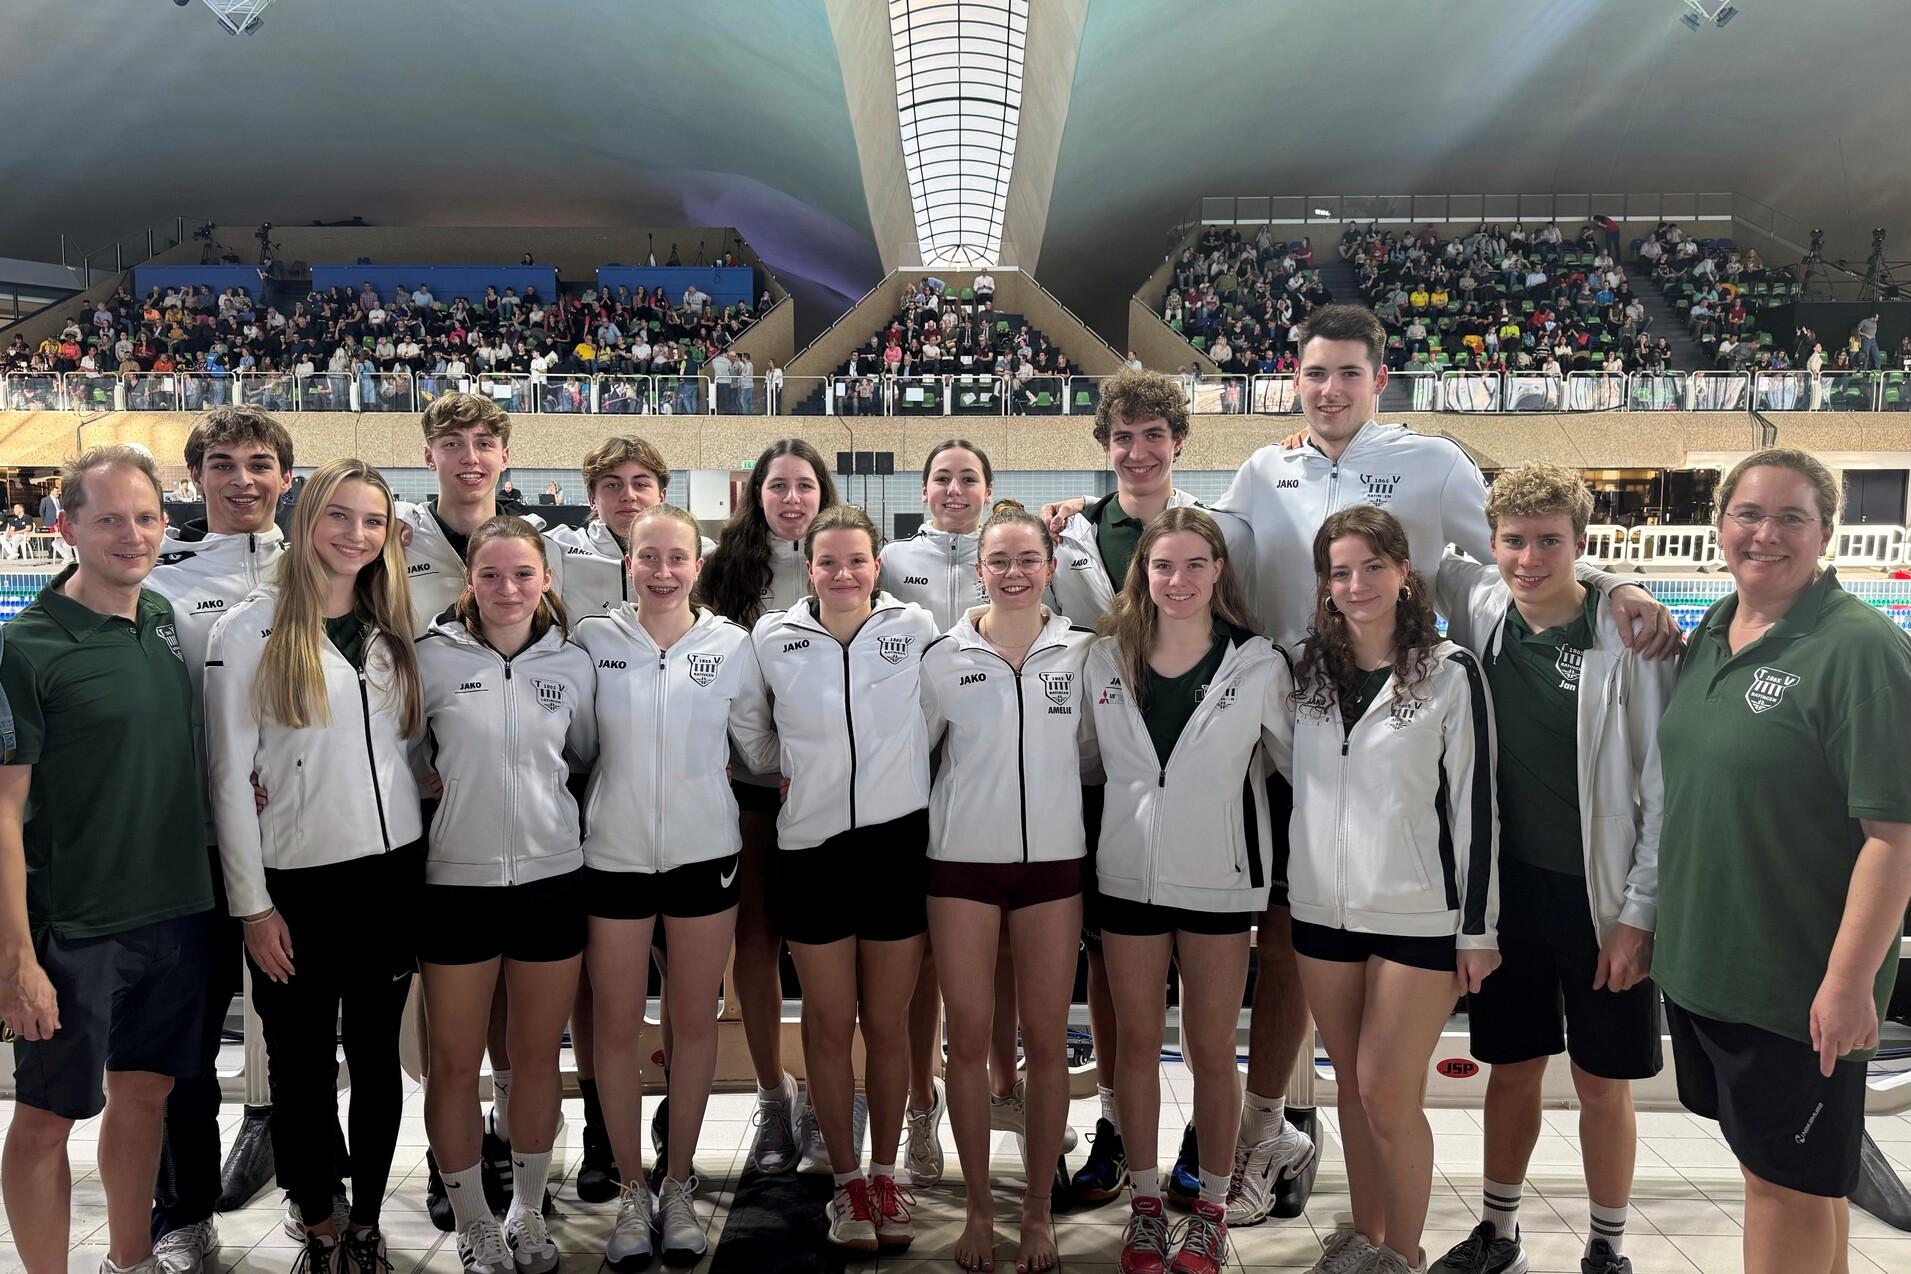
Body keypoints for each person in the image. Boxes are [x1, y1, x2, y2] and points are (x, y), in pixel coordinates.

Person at [1653, 449, 1911, 1274]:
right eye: (1748, 515)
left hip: (1794, 989)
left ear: (1826, 533)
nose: (1765, 534)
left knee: (1784, 1194)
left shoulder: (1859, 651)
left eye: (1791, 517)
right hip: (1711, 972)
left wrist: (1846, 985)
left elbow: (1893, 837)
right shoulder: (1709, 632)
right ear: (1719, 525)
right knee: (1792, 1187)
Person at [1424, 466, 1676, 1274]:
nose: (1528, 559)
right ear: (1491, 541)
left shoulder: (1627, 639)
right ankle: (1498, 1231)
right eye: (1513, 541)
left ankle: (1606, 1247)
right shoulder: (1482, 605)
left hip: (1598, 900)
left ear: (1579, 542)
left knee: (1602, 1081)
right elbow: (1419, 555)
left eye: (1549, 542)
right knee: (1511, 1068)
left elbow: (1661, 789)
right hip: (1509, 894)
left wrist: (1638, 914)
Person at [205, 459, 426, 1274]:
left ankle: (366, 1221)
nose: (355, 535)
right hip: (295, 885)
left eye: (371, 522)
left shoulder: (388, 626)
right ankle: (318, 1221)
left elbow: (405, 753)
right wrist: (252, 907)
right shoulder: (248, 630)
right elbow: (229, 778)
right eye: (339, 516)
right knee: (300, 1067)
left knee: (375, 1059)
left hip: (390, 877)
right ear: (304, 521)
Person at [0, 446, 214, 1274]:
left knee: (147, 1093)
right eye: (110, 519)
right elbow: (4, 808)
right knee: (49, 1117)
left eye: (147, 517)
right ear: (67, 528)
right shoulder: (26, 648)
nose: (133, 535)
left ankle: (132, 1260)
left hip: (174, 910)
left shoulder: (160, 619)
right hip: (76, 925)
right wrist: (16, 956)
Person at [1286, 506, 1499, 1274]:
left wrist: (1477, 929)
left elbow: (1475, 805)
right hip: (1319, 911)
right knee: (1348, 1086)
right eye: (1339, 571)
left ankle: (1402, 1256)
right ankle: (1366, 1236)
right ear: (1324, 585)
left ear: (1404, 573)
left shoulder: (1447, 672)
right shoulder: (1302, 669)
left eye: (1372, 567)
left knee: (1384, 1091)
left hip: (1419, 914)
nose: (1356, 583)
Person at [1086, 507, 1293, 1274]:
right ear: (1142, 572)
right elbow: (1083, 761)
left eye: (1194, 565)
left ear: (1218, 573)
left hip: (1218, 883)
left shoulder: (1258, 663)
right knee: (1135, 1048)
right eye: (1162, 566)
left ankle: (1208, 1209)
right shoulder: (1104, 659)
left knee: (1209, 1050)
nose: (1178, 581)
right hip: (1126, 880)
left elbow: (1298, 766)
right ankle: (1143, 1207)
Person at [730, 505, 940, 1253]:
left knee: (886, 1024)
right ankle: (847, 1185)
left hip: (895, 847)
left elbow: (939, 714)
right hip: (812, 849)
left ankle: (885, 1170)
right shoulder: (774, 636)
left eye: (856, 560)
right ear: (808, 567)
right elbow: (750, 725)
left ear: (875, 566)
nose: (843, 573)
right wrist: (783, 771)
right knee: (826, 1020)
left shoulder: (913, 630)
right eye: (828, 562)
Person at [572, 504, 768, 1267]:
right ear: (628, 560)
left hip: (703, 857)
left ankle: (677, 1181)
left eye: (676, 559)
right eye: (647, 557)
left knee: (691, 1026)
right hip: (612, 858)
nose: (660, 572)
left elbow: (756, 741)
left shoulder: (732, 645)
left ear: (697, 564)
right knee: (616, 1029)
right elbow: (579, 743)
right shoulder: (594, 641)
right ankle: (629, 1190)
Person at [414, 517, 596, 1274]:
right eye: (491, 575)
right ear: (469, 581)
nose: (507, 590)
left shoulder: (573, 664)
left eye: (523, 575)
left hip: (552, 880)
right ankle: (472, 1220)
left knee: (531, 1059)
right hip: (456, 882)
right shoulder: (428, 659)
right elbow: (400, 755)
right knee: (454, 1064)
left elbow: (583, 754)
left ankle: (525, 1210)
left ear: (545, 578)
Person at [919, 499, 1096, 1274]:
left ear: (1049, 568)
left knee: (1047, 1039)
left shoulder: (1083, 656)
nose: (1014, 574)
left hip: (1053, 868)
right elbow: (915, 755)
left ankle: (1035, 1214)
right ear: (978, 569)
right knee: (966, 1039)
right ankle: (980, 1211)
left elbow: (1095, 757)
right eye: (1000, 561)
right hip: (960, 865)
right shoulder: (941, 657)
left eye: (1028, 560)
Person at [144, 410, 296, 1271]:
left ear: (284, 478)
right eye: (225, 464)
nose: (243, 479)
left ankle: (314, 1196)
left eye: (261, 464)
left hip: (299, 847)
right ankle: (185, 1215)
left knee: (307, 1043)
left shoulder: (320, 570)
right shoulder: (161, 583)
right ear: (196, 478)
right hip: (196, 850)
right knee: (189, 1048)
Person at [695, 439, 839, 1177]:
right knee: (754, 944)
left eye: (804, 486)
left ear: (823, 493)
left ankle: (821, 1097)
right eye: (777, 486)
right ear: (755, 494)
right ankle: (772, 1097)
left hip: (827, 793)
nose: (791, 499)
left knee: (821, 952)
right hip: (749, 789)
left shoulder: (846, 563)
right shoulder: (722, 571)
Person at [399, 393, 518, 637]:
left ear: (504, 458)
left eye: (484, 444)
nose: (470, 458)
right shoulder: (396, 542)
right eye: (452, 444)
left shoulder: (542, 547)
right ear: (429, 457)